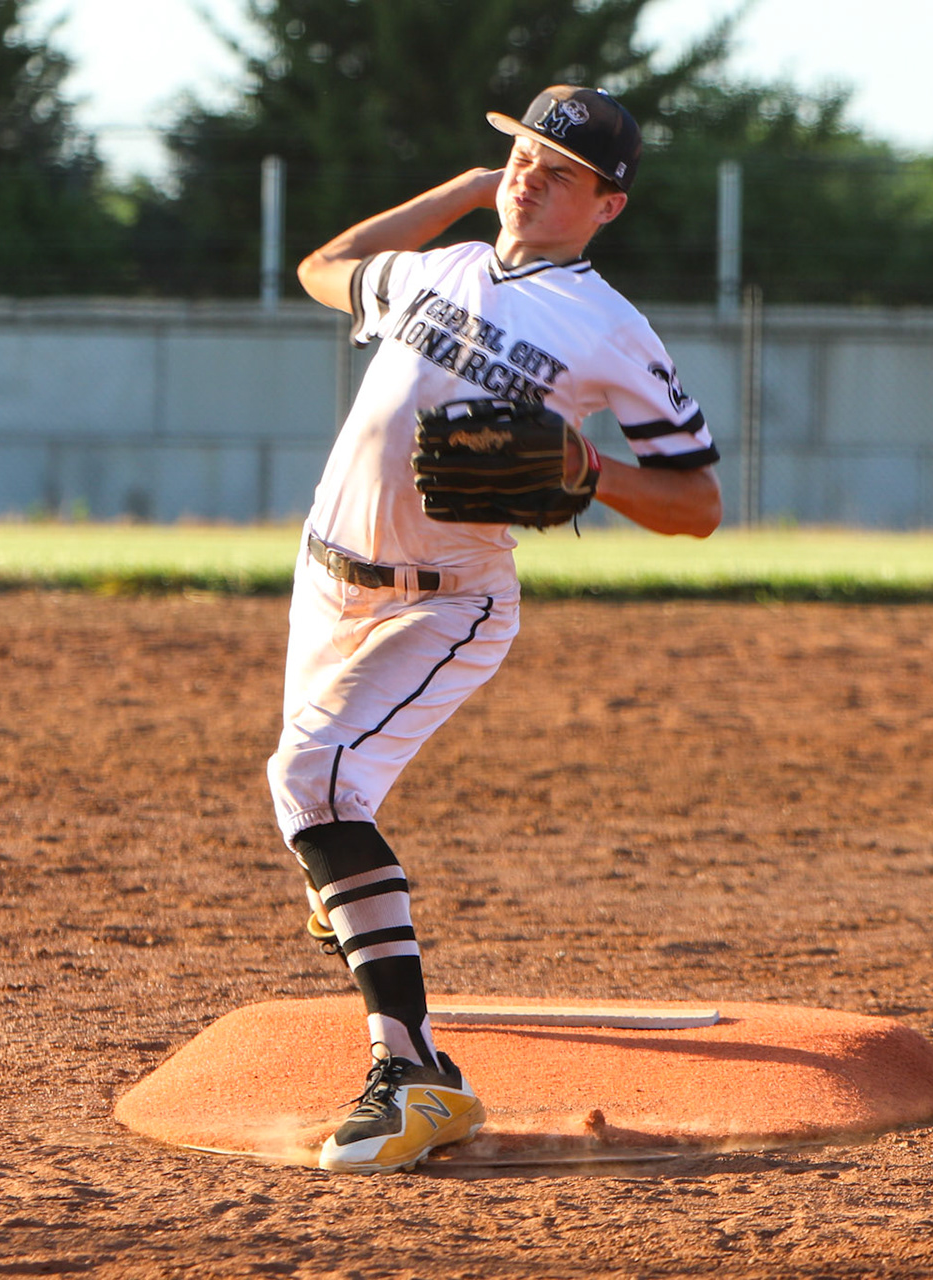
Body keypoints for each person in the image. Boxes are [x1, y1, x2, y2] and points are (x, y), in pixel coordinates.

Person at [270, 84, 723, 1175]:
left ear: (608, 205)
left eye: (559, 171)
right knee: (327, 809)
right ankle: (355, 913)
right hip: (326, 578)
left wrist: (590, 470)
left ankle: (417, 1077)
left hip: (449, 595)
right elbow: (323, 268)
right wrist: (464, 189)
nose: (529, 174)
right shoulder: (441, 269)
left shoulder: (611, 329)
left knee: (314, 779)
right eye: (521, 154)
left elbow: (697, 503)